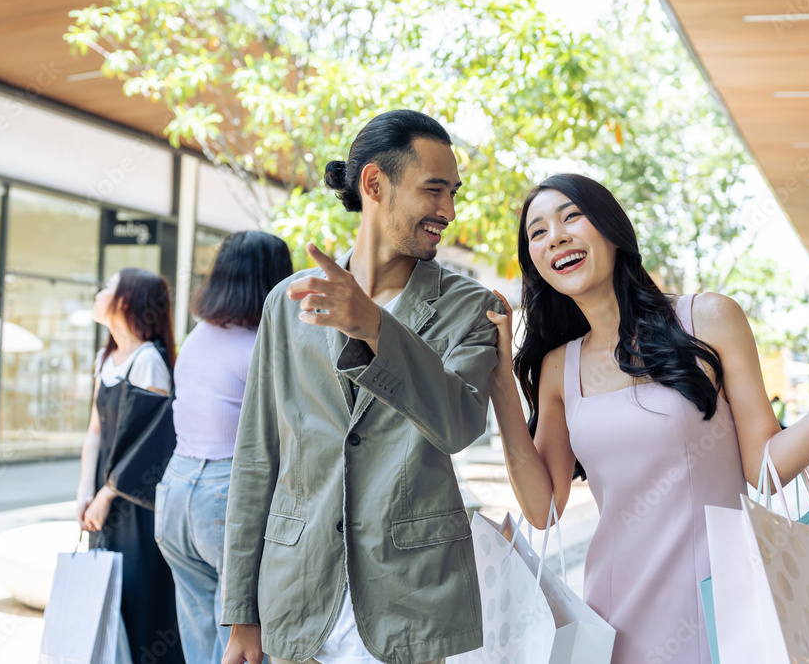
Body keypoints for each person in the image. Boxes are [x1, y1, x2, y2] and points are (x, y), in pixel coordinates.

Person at [484, 173, 809, 664]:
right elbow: (542, 508)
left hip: (725, 597)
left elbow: (766, 465)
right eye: (538, 232)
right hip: (615, 612)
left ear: (612, 229)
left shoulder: (709, 318)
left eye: (572, 216)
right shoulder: (558, 368)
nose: (557, 236)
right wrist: (501, 382)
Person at [220, 109, 505, 664]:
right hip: (297, 603)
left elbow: (459, 424)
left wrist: (373, 327)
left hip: (411, 608)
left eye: (454, 193)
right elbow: (257, 457)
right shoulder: (288, 302)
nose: (448, 211)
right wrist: (241, 616)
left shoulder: (473, 308)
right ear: (375, 184)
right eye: (434, 190)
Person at [156, 231, 293, 664]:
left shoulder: (198, 336)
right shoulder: (262, 349)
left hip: (176, 490)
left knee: (199, 632)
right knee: (241, 643)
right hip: (225, 496)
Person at [77, 267, 185, 664]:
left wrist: (106, 493)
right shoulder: (105, 356)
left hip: (136, 504)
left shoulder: (148, 362)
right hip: (106, 498)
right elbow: (94, 432)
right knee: (109, 599)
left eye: (108, 286)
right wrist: (85, 492)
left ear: (127, 300)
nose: (99, 291)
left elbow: (153, 445)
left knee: (139, 600)